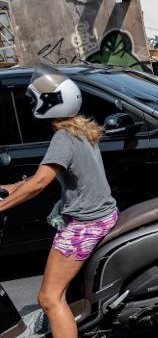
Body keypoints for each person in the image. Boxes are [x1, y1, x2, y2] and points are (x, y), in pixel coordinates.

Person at [0, 64, 118, 338]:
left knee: (49, 299)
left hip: (84, 225)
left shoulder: (63, 137)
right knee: (57, 294)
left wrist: (3, 205)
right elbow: (48, 174)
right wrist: (13, 186)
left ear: (49, 102)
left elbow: (40, 183)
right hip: (101, 215)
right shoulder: (79, 129)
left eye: (34, 99)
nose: (31, 104)